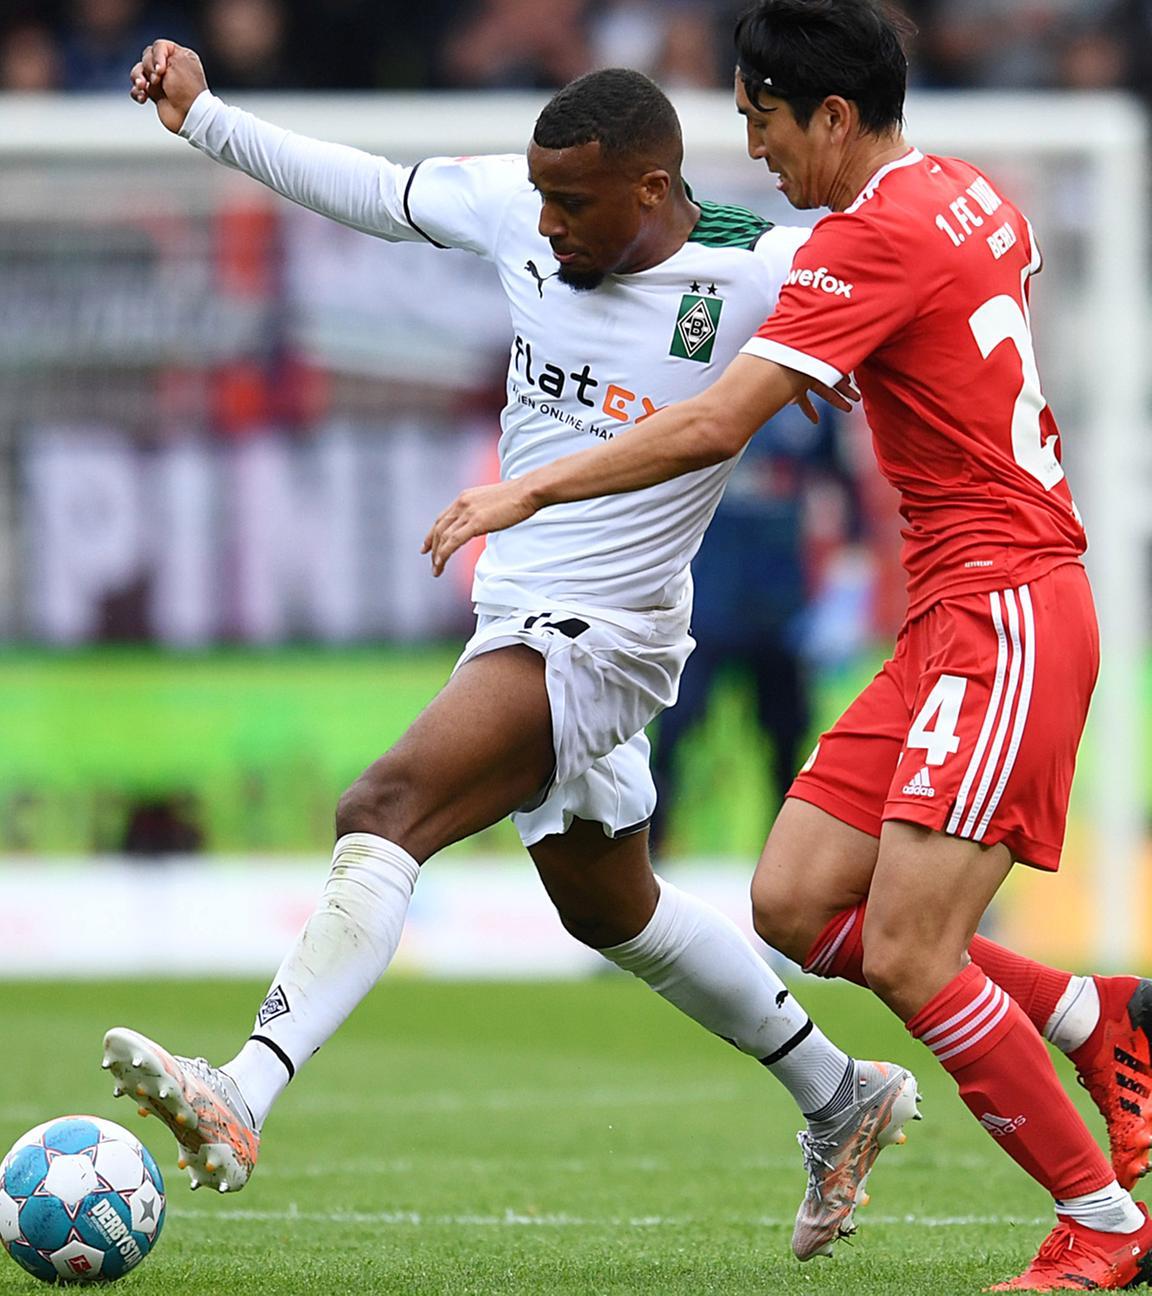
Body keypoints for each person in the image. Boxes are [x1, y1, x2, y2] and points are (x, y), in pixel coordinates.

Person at [102, 44, 922, 1264]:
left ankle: (244, 1089)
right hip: (519, 616)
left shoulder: (761, 272)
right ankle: (840, 1090)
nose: (544, 225)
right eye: (539, 197)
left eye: (572, 203)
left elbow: (916, 291)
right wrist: (206, 118)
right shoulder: (522, 211)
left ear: (653, 188)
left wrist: (852, 361)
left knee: (383, 808)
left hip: (611, 633)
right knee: (610, 908)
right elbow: (369, 190)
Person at [423, 0, 1152, 1288]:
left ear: (832, 113)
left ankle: (1101, 1223)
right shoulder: (968, 193)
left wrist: (526, 488)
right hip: (956, 613)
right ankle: (1098, 1019)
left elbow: (717, 424)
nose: (753, 147)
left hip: (1008, 608)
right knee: (799, 904)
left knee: (912, 952)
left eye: (761, 118)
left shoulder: (867, 239)